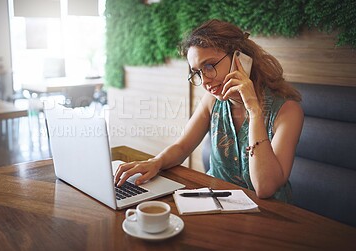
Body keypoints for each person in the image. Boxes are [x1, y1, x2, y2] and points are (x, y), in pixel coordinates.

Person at [114, 19, 304, 202]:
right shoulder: (212, 100)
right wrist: (155, 162)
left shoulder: (288, 112)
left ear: (241, 59)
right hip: (216, 203)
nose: (204, 81)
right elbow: (182, 147)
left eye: (209, 66)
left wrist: (253, 110)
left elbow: (265, 188)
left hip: (271, 217)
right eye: (197, 72)